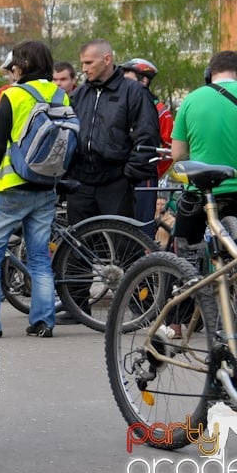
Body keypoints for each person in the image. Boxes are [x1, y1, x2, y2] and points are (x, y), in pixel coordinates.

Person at [64, 40, 159, 322]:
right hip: (81, 180)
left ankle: (142, 305)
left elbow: (146, 136)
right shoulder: (79, 95)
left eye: (89, 63)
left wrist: (129, 173)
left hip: (116, 179)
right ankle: (77, 306)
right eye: (82, 63)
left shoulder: (133, 92)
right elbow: (67, 134)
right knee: (77, 244)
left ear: (107, 59)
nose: (84, 69)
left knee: (125, 244)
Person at [0, 41, 64, 339]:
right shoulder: (61, 94)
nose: (11, 73)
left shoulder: (12, 95)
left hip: (10, 186)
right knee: (39, 256)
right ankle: (43, 321)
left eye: (13, 67)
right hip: (46, 185)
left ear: (22, 65)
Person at [172, 50, 237, 331]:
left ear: (209, 73)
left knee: (185, 253)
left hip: (200, 190)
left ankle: (177, 323)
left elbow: (178, 153)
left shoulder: (192, 99)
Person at [121, 57, 174, 237]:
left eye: (127, 77)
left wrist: (153, 168)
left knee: (143, 227)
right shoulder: (121, 103)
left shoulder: (160, 111)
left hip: (144, 174)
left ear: (144, 80)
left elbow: (170, 149)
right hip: (119, 175)